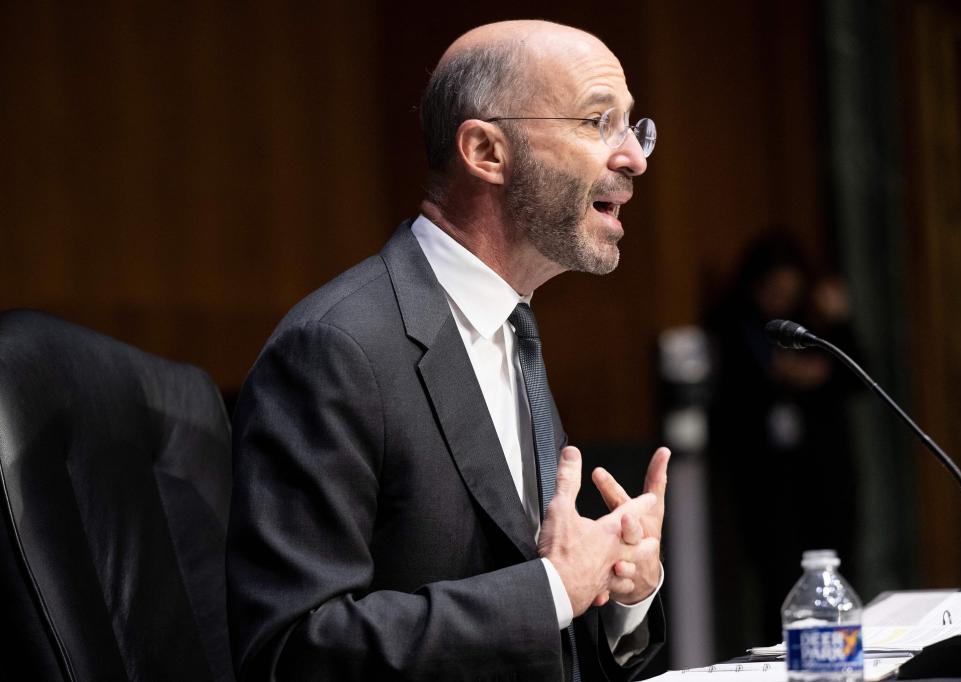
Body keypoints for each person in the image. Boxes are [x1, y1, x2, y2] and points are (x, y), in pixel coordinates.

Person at [226, 20, 670, 681]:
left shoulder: (511, 329)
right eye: (598, 122)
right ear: (486, 151)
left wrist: (617, 594)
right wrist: (550, 590)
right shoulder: (336, 351)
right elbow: (292, 649)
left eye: (635, 127)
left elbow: (531, 622)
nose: (634, 157)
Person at [705, 231, 862, 653]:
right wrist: (771, 379)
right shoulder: (731, 324)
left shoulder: (817, 323)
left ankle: (840, 652)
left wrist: (839, 326)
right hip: (766, 478)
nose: (779, 301)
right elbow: (722, 404)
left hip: (824, 473)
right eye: (771, 291)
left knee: (838, 567)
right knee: (776, 578)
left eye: (788, 292)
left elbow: (859, 380)